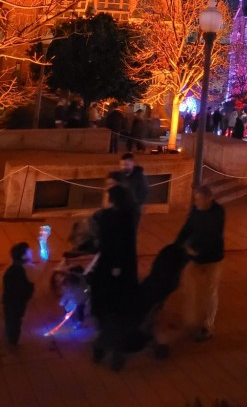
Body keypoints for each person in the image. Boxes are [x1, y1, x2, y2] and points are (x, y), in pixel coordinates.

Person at [90, 184, 139, 366]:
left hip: (114, 269)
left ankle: (108, 342)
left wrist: (115, 265)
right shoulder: (126, 215)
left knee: (111, 306)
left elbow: (116, 242)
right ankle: (112, 340)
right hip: (120, 267)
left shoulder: (114, 217)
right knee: (117, 308)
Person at [175, 184, 225, 342]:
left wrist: (196, 250)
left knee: (211, 291)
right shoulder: (196, 210)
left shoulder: (218, 213)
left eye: (199, 199)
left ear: (208, 199)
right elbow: (188, 227)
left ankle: (208, 326)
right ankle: (190, 321)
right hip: (196, 257)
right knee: (189, 286)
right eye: (195, 199)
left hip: (212, 258)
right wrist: (177, 244)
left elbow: (213, 235)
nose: (196, 202)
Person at [2, 242, 34, 346]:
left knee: (10, 319)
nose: (31, 252)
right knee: (14, 321)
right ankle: (13, 340)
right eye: (29, 252)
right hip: (15, 303)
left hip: (9, 301)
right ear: (23, 256)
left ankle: (10, 336)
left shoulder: (13, 268)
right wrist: (30, 288)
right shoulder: (19, 271)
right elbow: (21, 290)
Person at [118, 153, 149, 224]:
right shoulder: (120, 175)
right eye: (122, 165)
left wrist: (134, 205)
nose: (123, 167)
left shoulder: (140, 177)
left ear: (133, 164)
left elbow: (144, 193)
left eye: (126, 165)